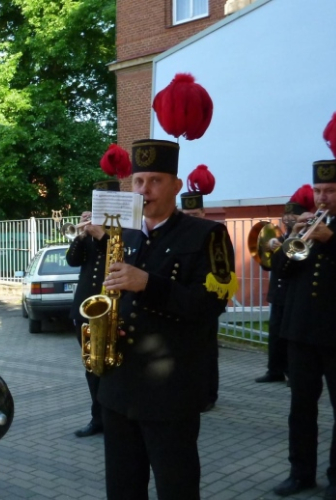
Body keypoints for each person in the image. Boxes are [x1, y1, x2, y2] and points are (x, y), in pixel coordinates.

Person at [98, 139, 237, 500]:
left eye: (155, 181)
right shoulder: (123, 233)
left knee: (176, 487)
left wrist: (149, 284)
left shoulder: (208, 235)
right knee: (122, 488)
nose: (145, 190)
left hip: (170, 391)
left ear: (176, 186)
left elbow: (211, 305)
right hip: (118, 388)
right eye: (139, 181)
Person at [272, 152, 336, 498]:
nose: (321, 197)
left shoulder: (334, 231)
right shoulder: (310, 225)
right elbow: (281, 272)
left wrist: (333, 240)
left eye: (330, 190)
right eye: (318, 190)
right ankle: (300, 473)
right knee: (301, 408)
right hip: (301, 331)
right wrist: (292, 237)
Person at [66, 178, 121, 438]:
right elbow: (72, 260)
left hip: (115, 307)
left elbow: (122, 256)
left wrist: (102, 235)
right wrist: (80, 235)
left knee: (114, 369)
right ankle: (97, 418)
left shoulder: (125, 228)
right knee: (92, 366)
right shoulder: (89, 231)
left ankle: (116, 419)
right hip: (87, 307)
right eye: (97, 202)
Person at [254, 185, 314, 384]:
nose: (288, 218)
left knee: (290, 336)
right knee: (275, 334)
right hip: (278, 294)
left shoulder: (308, 238)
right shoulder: (280, 238)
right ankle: (274, 370)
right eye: (285, 215)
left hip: (293, 294)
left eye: (293, 215)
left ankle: (291, 371)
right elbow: (268, 265)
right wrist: (268, 248)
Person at [180, 164, 219, 412]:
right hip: (184, 299)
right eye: (187, 214)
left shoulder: (213, 234)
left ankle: (209, 394)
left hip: (207, 299)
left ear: (203, 213)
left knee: (207, 352)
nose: (191, 217)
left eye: (195, 213)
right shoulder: (180, 235)